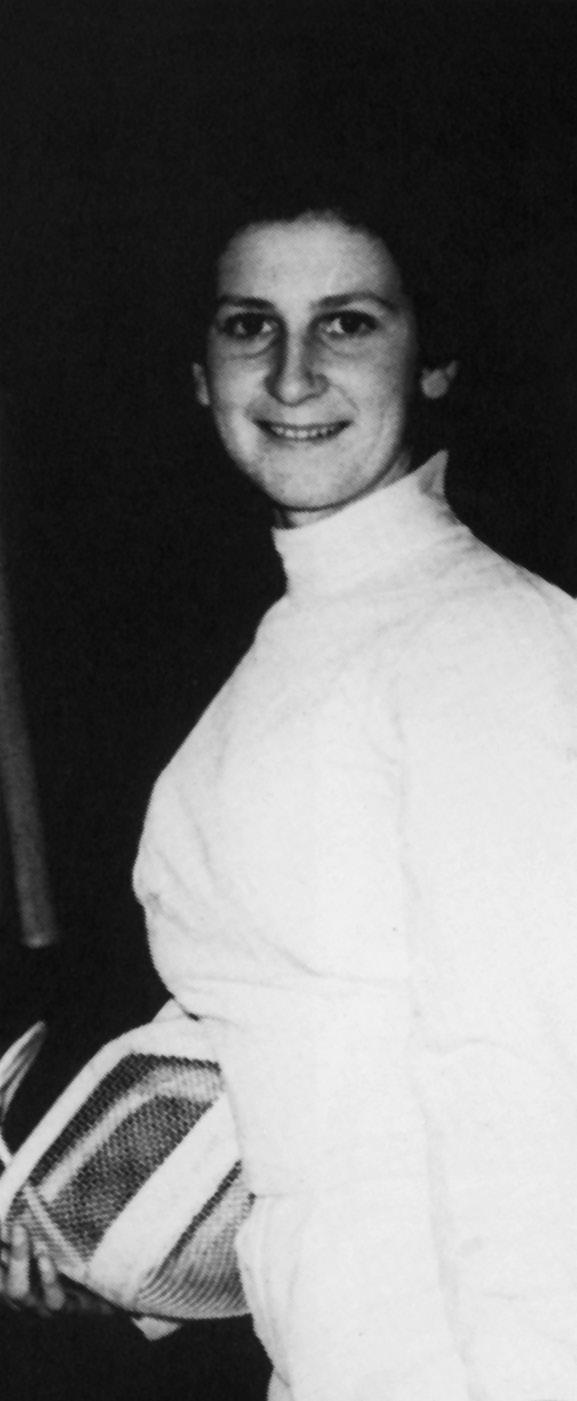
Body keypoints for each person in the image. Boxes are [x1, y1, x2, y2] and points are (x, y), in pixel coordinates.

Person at [5, 155, 577, 1399]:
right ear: (197, 373)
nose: (293, 374)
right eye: (248, 325)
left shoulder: (485, 641)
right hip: (325, 1348)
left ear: (433, 363)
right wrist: (110, 1239)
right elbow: (277, 1090)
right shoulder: (274, 662)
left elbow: (531, 1087)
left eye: (348, 323)